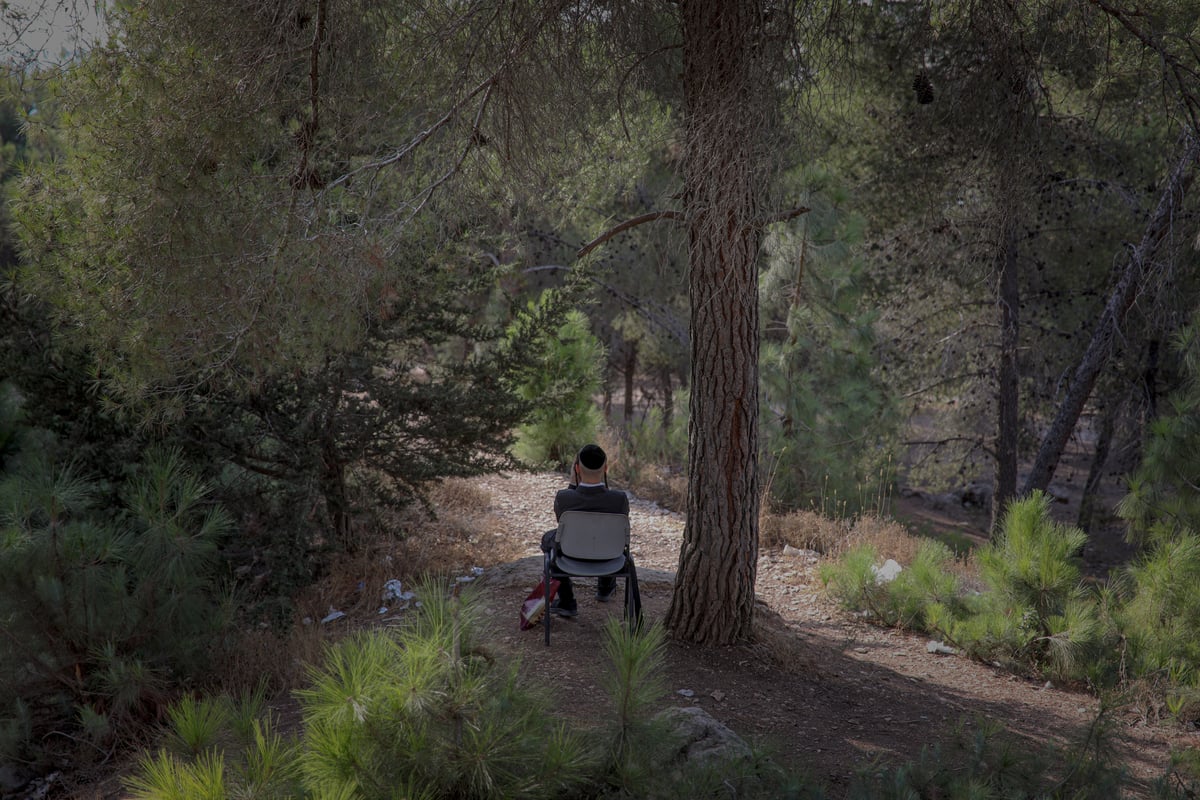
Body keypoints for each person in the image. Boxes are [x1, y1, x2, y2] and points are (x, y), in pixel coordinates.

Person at [540, 443, 641, 619]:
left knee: (550, 539)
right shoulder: (619, 500)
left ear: (577, 469)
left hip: (572, 555)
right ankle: (605, 587)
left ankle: (567, 602)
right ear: (606, 468)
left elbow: (562, 523)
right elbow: (605, 505)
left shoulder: (564, 497)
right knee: (608, 535)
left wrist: (573, 484)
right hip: (610, 558)